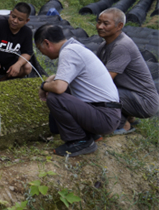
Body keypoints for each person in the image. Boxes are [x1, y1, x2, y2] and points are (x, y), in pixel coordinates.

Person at [35, 24, 120, 157]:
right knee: (63, 90)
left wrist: (43, 86)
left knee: (55, 96)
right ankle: (91, 134)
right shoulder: (75, 47)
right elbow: (62, 78)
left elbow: (59, 87)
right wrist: (51, 79)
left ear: (47, 43)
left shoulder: (69, 51)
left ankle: (80, 140)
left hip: (105, 116)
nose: (43, 54)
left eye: (41, 49)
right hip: (106, 113)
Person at [95, 8, 159, 134]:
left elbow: (105, 80)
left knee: (100, 92)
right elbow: (95, 71)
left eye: (106, 23)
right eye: (99, 22)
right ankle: (129, 116)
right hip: (132, 95)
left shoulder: (122, 46)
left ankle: (123, 124)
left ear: (119, 26)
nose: (100, 26)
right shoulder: (104, 46)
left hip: (145, 102)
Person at [0, 2, 33, 80]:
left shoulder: (27, 32)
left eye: (20, 19)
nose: (15, 21)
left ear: (26, 21)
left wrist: (18, 64)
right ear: (10, 13)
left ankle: (4, 79)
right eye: (13, 16)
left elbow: (27, 52)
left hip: (9, 62)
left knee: (27, 67)